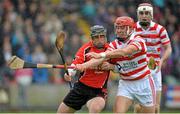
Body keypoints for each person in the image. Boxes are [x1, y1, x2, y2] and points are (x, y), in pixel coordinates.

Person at [76, 16, 156, 113]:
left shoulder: (138, 40)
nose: (119, 30)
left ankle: (139, 108)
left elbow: (125, 52)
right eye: (117, 27)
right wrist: (83, 66)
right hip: (126, 84)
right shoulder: (114, 45)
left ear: (131, 29)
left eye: (122, 27)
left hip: (144, 83)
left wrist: (102, 54)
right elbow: (101, 59)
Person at [57, 25, 114, 113]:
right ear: (92, 38)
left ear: (105, 37)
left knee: (95, 107)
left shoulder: (110, 49)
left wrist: (111, 66)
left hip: (99, 90)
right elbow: (75, 65)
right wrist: (68, 73)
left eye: (102, 36)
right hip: (81, 87)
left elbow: (118, 66)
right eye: (96, 37)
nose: (99, 39)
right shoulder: (85, 49)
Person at [133, 3, 172, 113]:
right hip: (138, 69)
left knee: (155, 107)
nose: (144, 15)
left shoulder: (160, 29)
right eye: (141, 13)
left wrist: (161, 61)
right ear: (137, 15)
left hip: (154, 69)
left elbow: (168, 48)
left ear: (152, 15)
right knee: (138, 107)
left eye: (147, 13)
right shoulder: (132, 29)